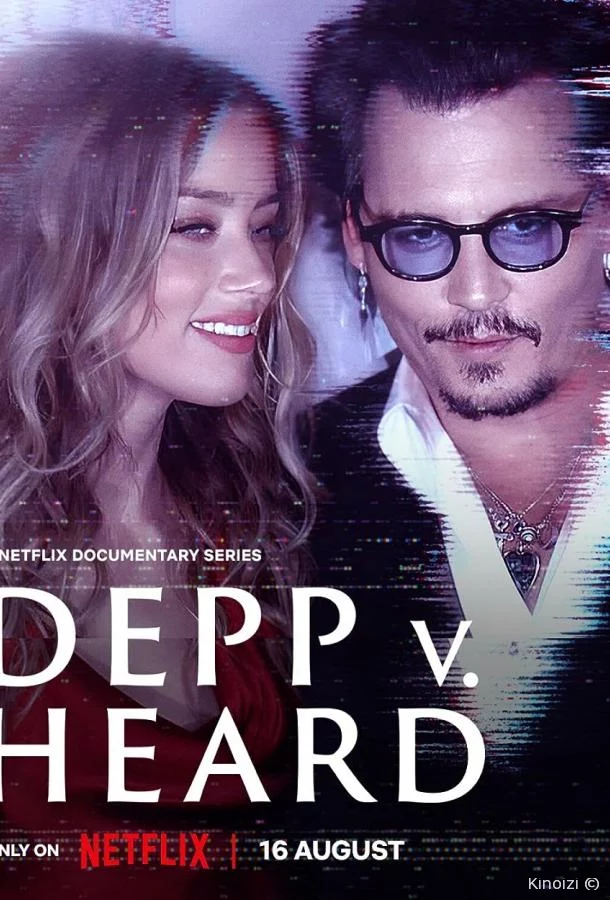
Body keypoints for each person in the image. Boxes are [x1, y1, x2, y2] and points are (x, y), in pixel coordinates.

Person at [301, 0, 610, 887]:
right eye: (418, 236)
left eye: (525, 227)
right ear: (357, 240)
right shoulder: (278, 496)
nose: (475, 294)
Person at [0, 32, 312, 899]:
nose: (257, 276)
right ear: (57, 236)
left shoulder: (252, 511)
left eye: (265, 227)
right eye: (194, 227)